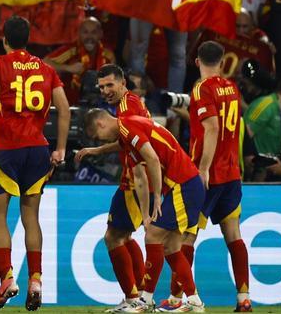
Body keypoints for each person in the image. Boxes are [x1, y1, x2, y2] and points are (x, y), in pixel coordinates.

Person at [0, 15, 69, 311]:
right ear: (29, 39)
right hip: (37, 150)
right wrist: (60, 148)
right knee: (31, 216)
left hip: (7, 150)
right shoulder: (46, 68)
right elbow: (63, 106)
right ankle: (35, 278)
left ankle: (8, 276)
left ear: (4, 39)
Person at [84, 109, 206, 313]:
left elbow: (153, 159)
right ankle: (194, 301)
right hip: (185, 183)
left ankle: (146, 300)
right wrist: (147, 214)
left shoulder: (126, 126)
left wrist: (158, 196)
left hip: (182, 184)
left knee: (153, 236)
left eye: (97, 136)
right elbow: (140, 178)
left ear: (100, 124)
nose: (99, 140)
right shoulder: (128, 133)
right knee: (171, 247)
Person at [179, 42, 250, 312]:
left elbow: (211, 129)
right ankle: (244, 298)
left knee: (186, 236)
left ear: (196, 62)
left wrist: (204, 168)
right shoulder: (231, 87)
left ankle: (180, 298)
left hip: (207, 174)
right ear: (222, 61)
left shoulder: (201, 88)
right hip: (231, 172)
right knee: (234, 235)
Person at [73, 64, 149, 313]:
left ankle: (134, 298)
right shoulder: (129, 104)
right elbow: (126, 140)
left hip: (136, 180)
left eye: (109, 85)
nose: (105, 90)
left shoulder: (127, 109)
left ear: (122, 82)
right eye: (101, 87)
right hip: (135, 178)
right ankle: (140, 297)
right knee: (122, 236)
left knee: (113, 237)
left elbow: (142, 149)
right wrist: (97, 150)